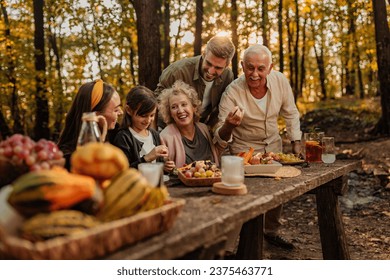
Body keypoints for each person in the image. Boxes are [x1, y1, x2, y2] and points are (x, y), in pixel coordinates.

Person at [214, 44, 302, 250]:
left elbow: (290, 112)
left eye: (260, 69)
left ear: (270, 68)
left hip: (273, 144)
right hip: (244, 149)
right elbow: (220, 131)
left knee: (277, 188)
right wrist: (229, 125)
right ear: (242, 66)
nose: (255, 74)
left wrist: (296, 142)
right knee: (243, 195)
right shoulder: (232, 91)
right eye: (250, 68)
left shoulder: (280, 81)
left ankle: (271, 232)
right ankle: (227, 247)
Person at [155, 35, 236, 130]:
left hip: (200, 128)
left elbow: (220, 108)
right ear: (204, 54)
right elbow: (157, 105)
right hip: (171, 128)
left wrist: (207, 129)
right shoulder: (176, 72)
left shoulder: (227, 76)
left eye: (218, 68)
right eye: (208, 63)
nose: (210, 71)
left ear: (226, 65)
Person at [158, 80, 227, 170]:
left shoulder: (204, 129)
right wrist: (165, 167)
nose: (180, 110)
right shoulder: (165, 136)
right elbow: (160, 166)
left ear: (194, 107)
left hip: (212, 180)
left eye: (184, 104)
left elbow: (218, 153)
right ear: (170, 113)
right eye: (174, 107)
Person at [57, 79, 123, 170]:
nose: (121, 112)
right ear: (94, 116)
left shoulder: (118, 136)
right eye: (115, 110)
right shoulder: (70, 160)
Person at [111, 86, 172, 171]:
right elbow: (123, 172)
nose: (148, 120)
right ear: (129, 110)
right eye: (143, 116)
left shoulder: (154, 134)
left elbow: (158, 164)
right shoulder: (123, 137)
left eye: (152, 115)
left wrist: (165, 166)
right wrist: (147, 158)